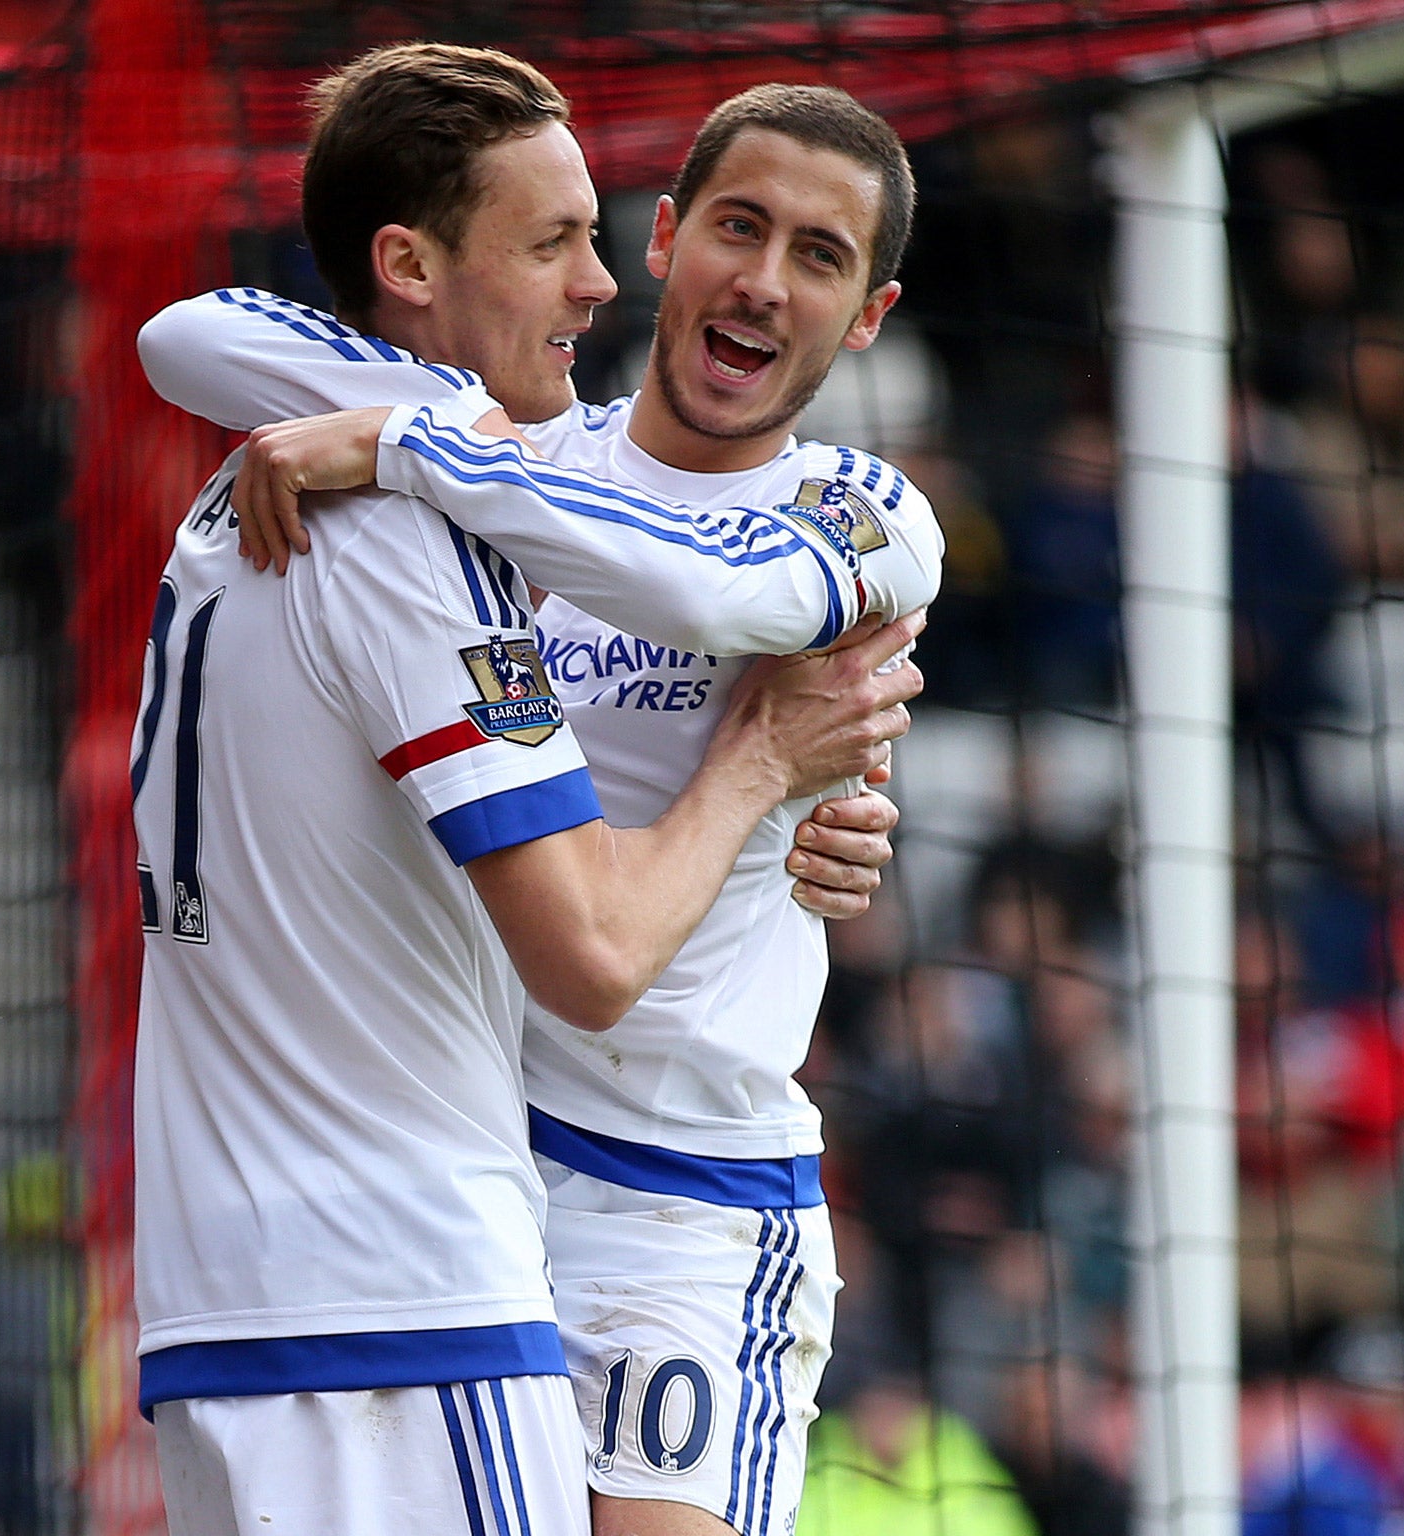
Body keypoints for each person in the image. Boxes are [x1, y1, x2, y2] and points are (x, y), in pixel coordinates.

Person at [129, 47, 927, 1536]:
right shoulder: (515, 465)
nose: (762, 282)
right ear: (668, 237)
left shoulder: (862, 517)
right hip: (480, 1167)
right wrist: (432, 434)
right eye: (740, 228)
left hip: (682, 1203)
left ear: (868, 315)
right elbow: (184, 333)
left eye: (820, 258)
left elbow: (693, 584)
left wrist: (400, 439)